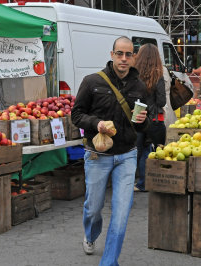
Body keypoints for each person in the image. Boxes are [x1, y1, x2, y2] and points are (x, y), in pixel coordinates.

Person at [71, 36, 149, 266]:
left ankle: (109, 261)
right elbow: (76, 115)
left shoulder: (139, 87)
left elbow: (141, 126)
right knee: (93, 208)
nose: (124, 59)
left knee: (121, 213)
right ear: (112, 54)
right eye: (119, 54)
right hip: (98, 156)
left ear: (133, 57)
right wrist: (96, 124)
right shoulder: (92, 81)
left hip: (127, 156)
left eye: (128, 54)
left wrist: (144, 121)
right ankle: (91, 234)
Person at [134, 43, 166, 192]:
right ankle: (144, 183)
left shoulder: (134, 74)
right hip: (152, 118)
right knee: (148, 150)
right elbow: (162, 101)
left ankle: (129, 183)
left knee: (136, 150)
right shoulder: (158, 75)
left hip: (137, 116)